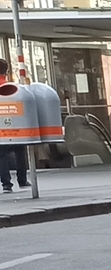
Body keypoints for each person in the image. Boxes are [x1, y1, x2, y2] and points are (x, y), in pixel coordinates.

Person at [0, 57, 65, 194]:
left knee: (2, 156)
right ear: (5, 72)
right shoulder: (14, 89)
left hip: (2, 131)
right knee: (20, 152)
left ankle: (6, 184)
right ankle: (22, 180)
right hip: (19, 129)